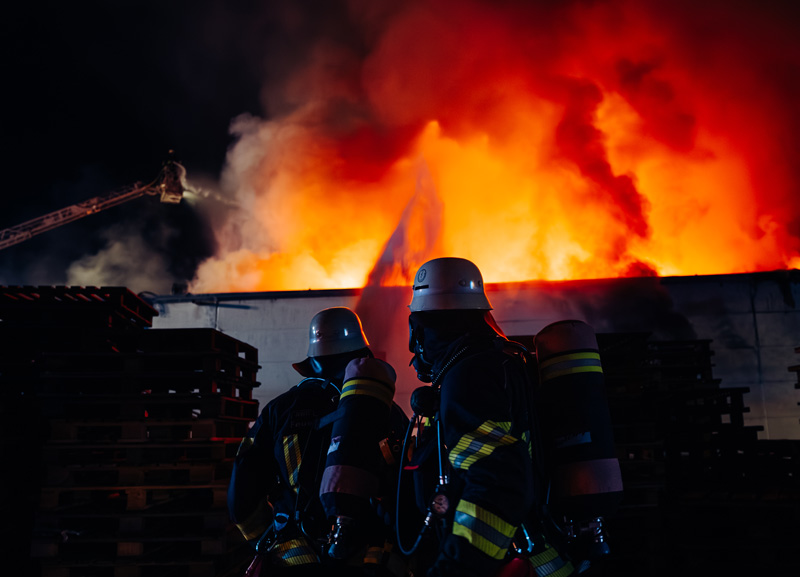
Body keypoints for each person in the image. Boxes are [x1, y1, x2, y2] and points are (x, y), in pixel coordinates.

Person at [402, 257, 574, 577]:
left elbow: (498, 479)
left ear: (424, 325)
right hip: (537, 554)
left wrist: (457, 566)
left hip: (505, 563)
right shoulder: (500, 360)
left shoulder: (468, 376)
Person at [228, 307, 410, 576]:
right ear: (363, 356)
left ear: (312, 362)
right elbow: (406, 488)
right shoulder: (386, 411)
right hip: (367, 562)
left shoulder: (279, 411)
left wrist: (265, 539)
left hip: (294, 561)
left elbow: (241, 492)